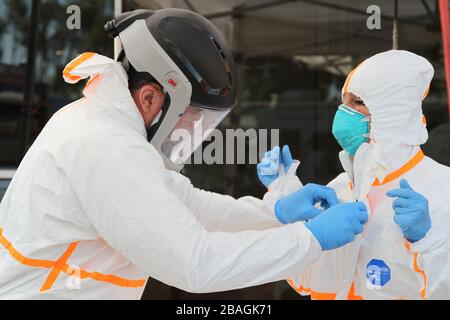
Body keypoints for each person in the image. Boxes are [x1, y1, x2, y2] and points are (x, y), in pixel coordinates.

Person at [0, 9, 367, 299]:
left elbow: (188, 206)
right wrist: (310, 240)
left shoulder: (108, 127)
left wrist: (274, 213)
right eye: (193, 117)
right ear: (150, 97)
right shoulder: (106, 144)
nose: (193, 131)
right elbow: (195, 263)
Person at [257, 50, 450, 299]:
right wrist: (286, 198)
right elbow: (309, 282)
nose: (342, 114)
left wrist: (428, 242)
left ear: (393, 115)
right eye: (343, 101)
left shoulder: (441, 189)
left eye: (357, 103)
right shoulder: (341, 188)